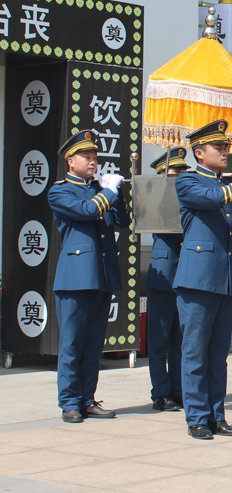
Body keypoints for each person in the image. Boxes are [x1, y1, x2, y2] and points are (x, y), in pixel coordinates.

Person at [174, 120, 232, 439]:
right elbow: (212, 199)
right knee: (195, 350)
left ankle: (216, 415)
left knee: (218, 354)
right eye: (218, 147)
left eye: (226, 147)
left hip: (226, 278)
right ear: (199, 153)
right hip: (198, 279)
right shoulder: (188, 181)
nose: (225, 152)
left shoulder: (230, 185)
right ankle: (197, 418)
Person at [48, 130, 129, 423]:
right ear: (71, 161)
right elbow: (85, 211)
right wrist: (108, 192)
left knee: (94, 343)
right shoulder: (60, 191)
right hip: (76, 276)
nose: (93, 162)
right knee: (72, 343)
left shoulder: (100, 189)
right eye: (87, 157)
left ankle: (87, 398)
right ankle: (69, 402)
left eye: (95, 157)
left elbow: (122, 221)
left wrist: (116, 193)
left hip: (102, 274)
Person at [145, 147, 191, 412]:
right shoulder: (156, 197)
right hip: (163, 274)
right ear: (163, 174)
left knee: (180, 340)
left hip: (186, 273)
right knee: (159, 339)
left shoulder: (189, 195)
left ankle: (178, 389)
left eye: (183, 171)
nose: (181, 176)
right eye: (176, 172)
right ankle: (160, 392)